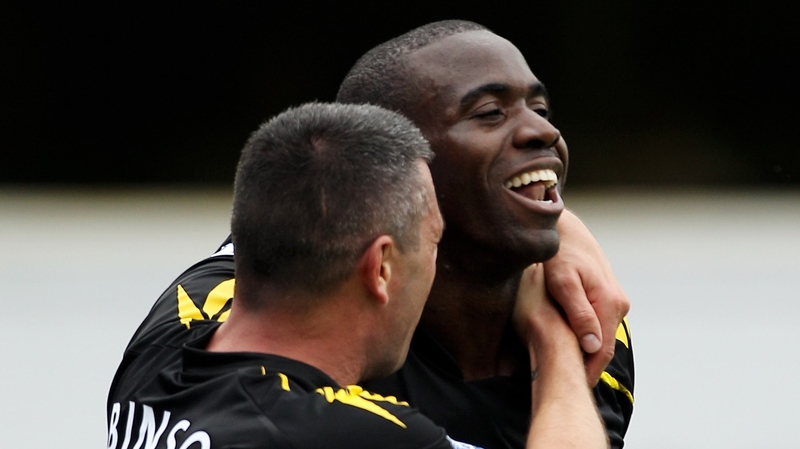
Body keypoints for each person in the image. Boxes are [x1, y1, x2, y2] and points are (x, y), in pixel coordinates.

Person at [110, 20, 633, 449]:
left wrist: (553, 221)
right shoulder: (345, 430)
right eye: (490, 114)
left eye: (540, 109)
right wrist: (556, 349)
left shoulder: (179, 341)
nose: (543, 131)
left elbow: (288, 218)